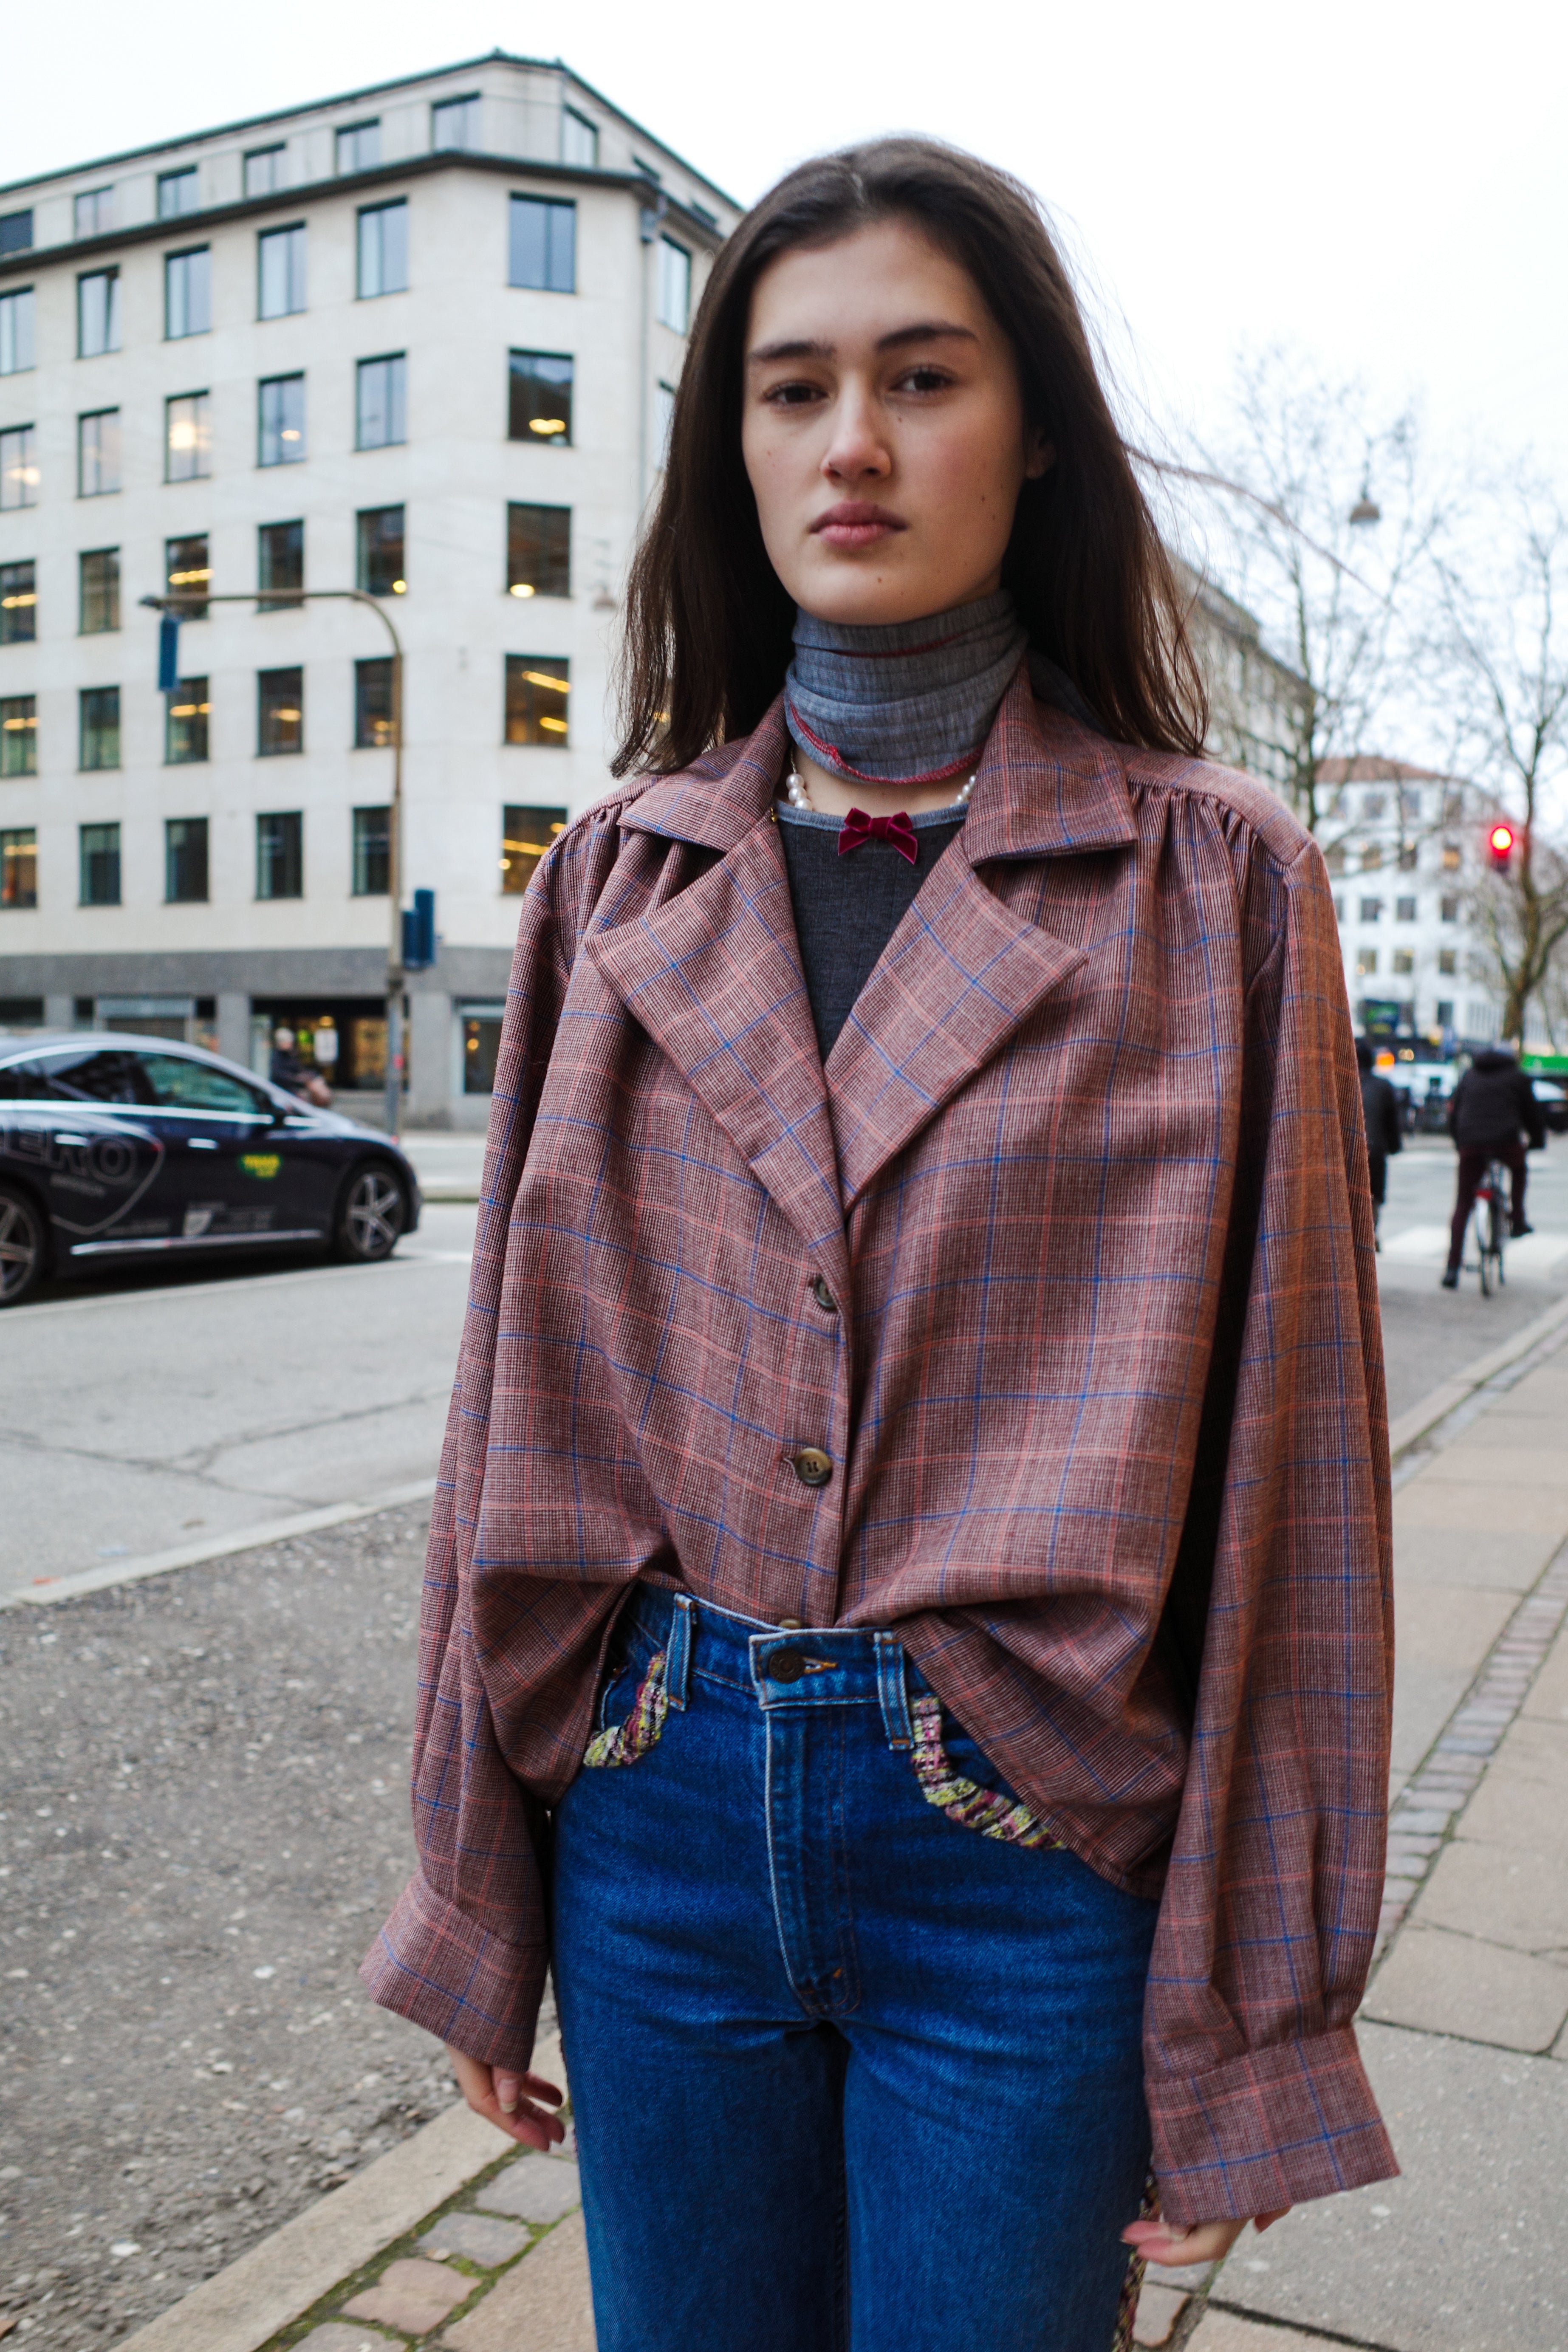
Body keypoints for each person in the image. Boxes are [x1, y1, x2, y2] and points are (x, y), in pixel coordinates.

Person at [364, 140, 1396, 2352]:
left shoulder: (1208, 890)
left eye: (918, 377)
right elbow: (507, 1428)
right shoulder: (616, 886)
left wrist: (1251, 2032)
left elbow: (1288, 1500)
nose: (849, 439)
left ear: (1026, 436)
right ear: (725, 443)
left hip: (1022, 1847)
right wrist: (479, 1891)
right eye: (788, 383)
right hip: (649, 1828)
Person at [1441, 1044, 1545, 1288]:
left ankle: (1452, 1268)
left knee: (1463, 1203)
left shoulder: (1469, 1075)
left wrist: (1460, 1143)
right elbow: (1532, 1115)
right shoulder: (1518, 1077)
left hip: (1471, 1144)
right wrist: (1537, 1141)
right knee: (1519, 1170)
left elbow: (1454, 1114)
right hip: (1506, 1142)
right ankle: (1517, 1218)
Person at [1356, 1037, 1403, 1246]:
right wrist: (1394, 1146)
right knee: (1374, 1194)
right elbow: (1392, 1123)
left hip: (1343, 1152)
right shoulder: (1383, 1087)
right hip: (1374, 1150)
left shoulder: (1336, 1082)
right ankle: (1370, 1231)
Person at [269, 1023, 331, 1110]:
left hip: (293, 1089)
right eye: (288, 1042)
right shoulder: (277, 1057)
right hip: (284, 1091)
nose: (290, 1044)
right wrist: (296, 1079)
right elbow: (279, 1074)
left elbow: (299, 1069)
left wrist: (309, 1076)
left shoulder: (290, 1055)